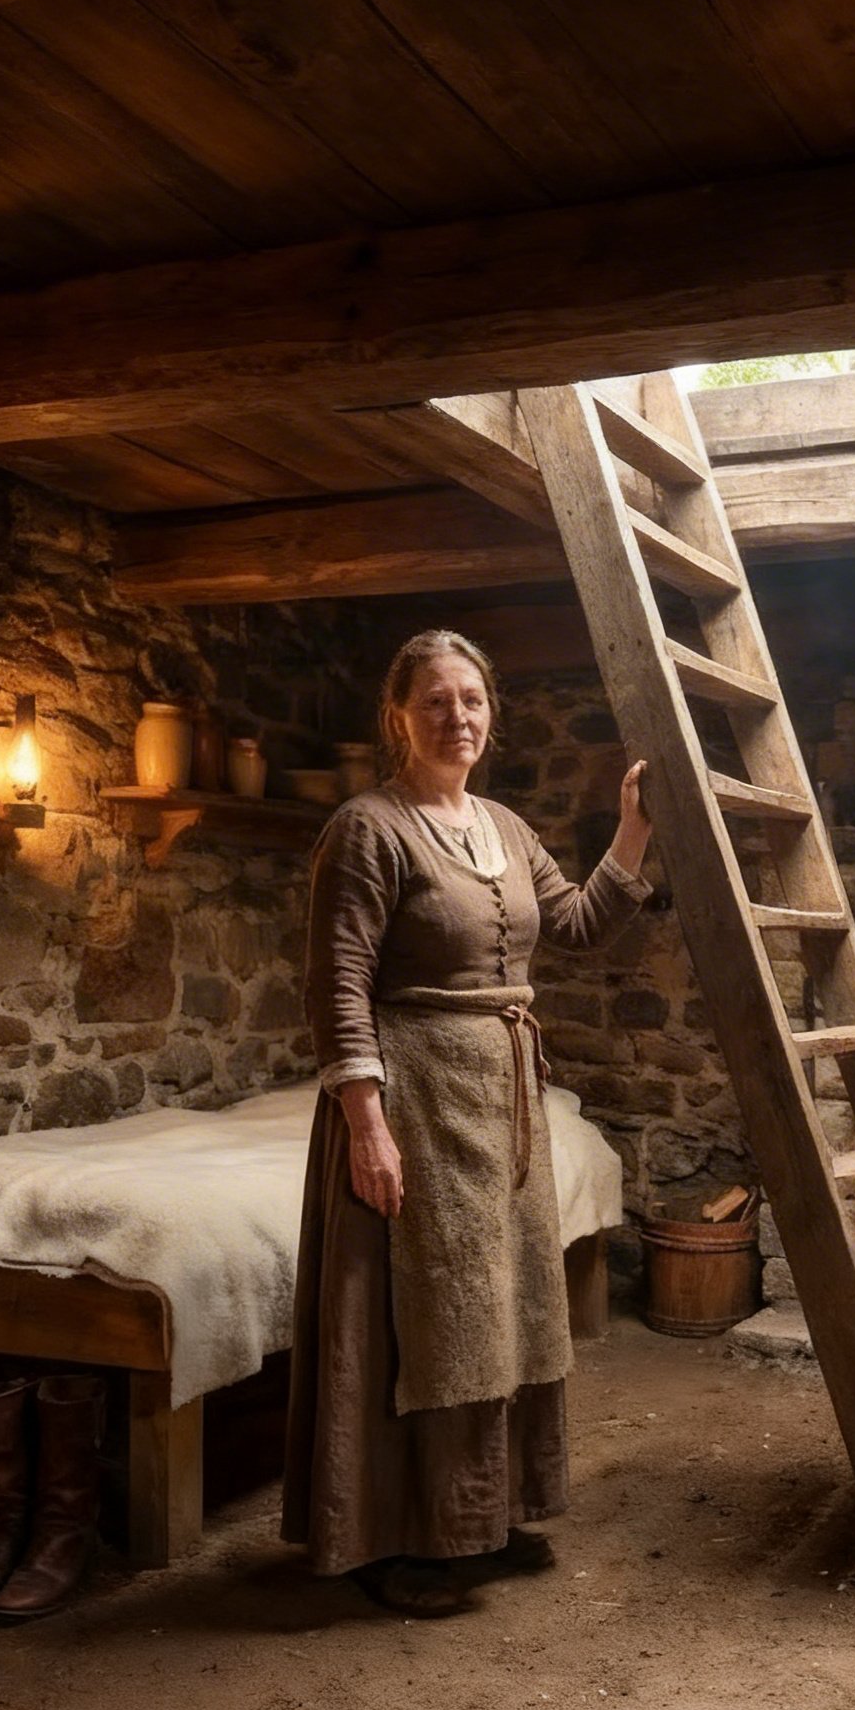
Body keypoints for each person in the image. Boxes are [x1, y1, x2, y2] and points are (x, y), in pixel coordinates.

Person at [283, 629, 652, 1616]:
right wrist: (366, 1124)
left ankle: (485, 1516)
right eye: (437, 701)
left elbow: (573, 926)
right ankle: (402, 1537)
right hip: (412, 1093)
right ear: (398, 716)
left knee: (502, 1303)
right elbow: (338, 982)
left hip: (501, 1097)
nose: (458, 717)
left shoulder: (501, 825)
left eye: (474, 700)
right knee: (434, 1311)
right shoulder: (367, 828)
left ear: (492, 715)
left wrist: (632, 832)